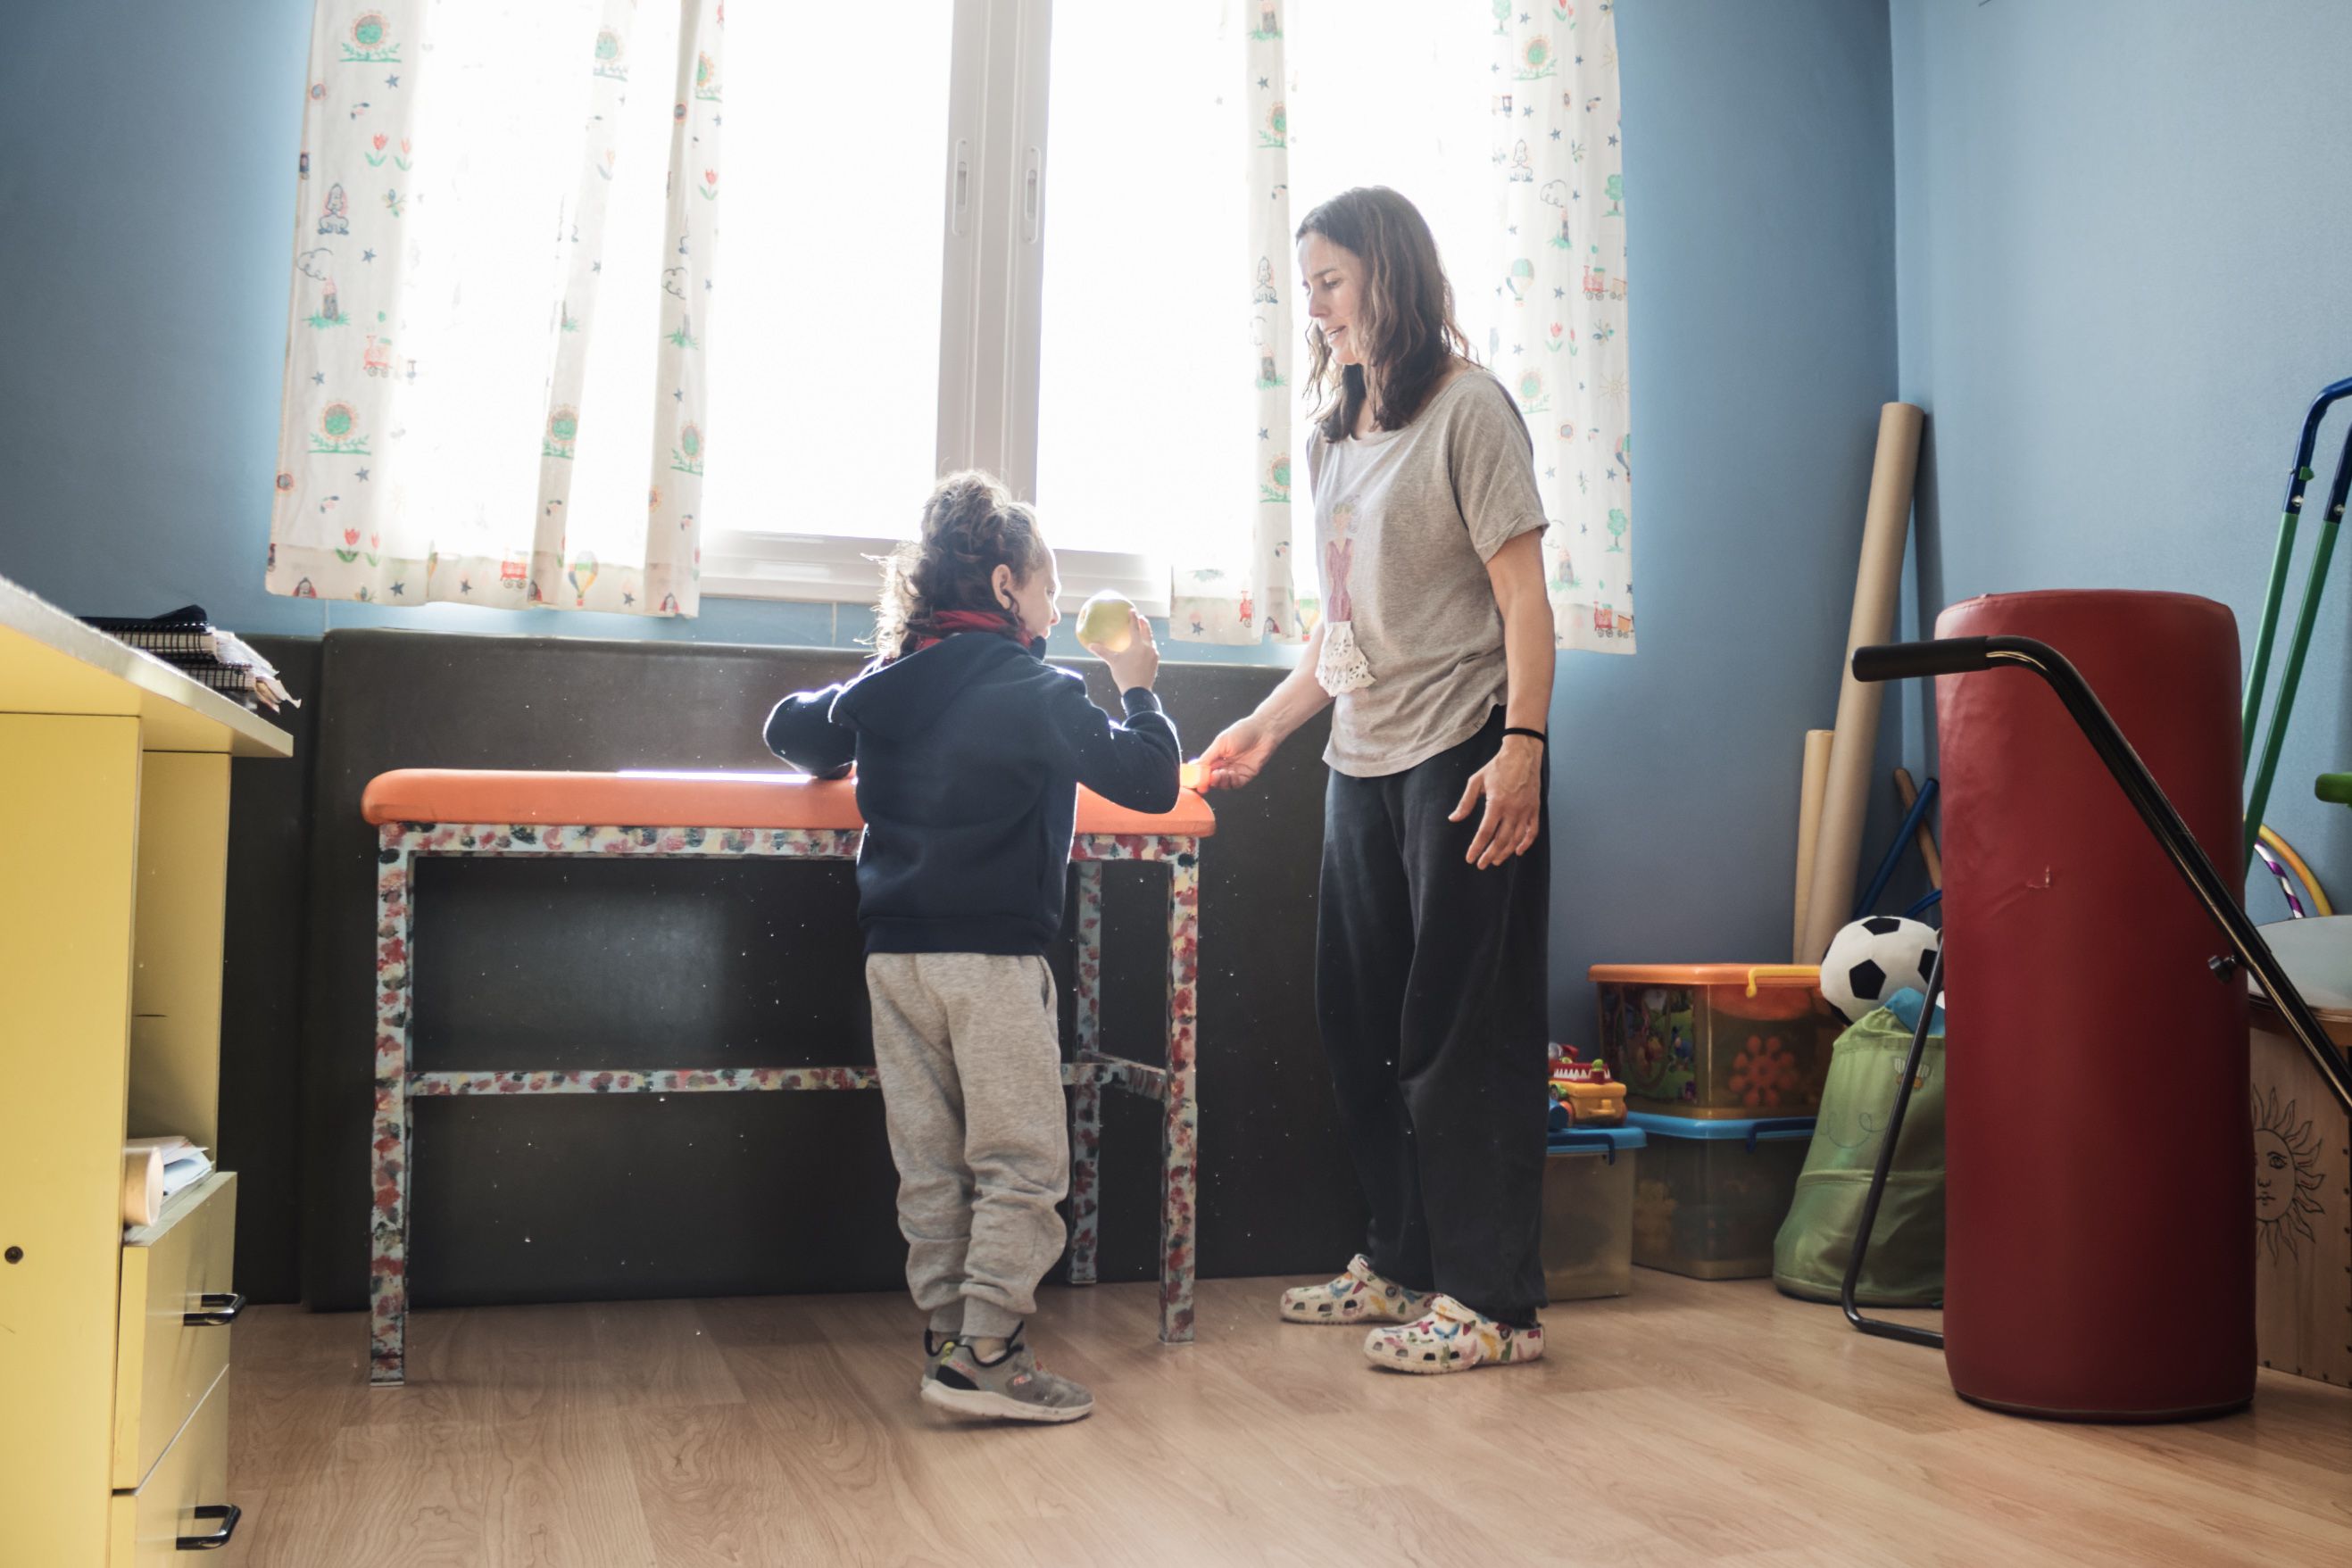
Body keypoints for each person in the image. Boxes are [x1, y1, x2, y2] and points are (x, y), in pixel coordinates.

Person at [1196, 186, 1557, 1374]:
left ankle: (1491, 1302)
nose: (1315, 305)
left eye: (1331, 280)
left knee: (1462, 1033)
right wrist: (1263, 726)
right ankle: (1401, 1262)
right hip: (1361, 759)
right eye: (1304, 285)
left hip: (1463, 750)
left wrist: (1523, 748)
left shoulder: (1468, 410)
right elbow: (1338, 632)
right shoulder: (1331, 434)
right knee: (1360, 1028)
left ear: (1389, 278)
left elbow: (1521, 602)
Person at [764, 470, 1178, 1421]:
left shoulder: (887, 687)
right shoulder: (1039, 687)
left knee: (933, 1161)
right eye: (1046, 586)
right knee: (1022, 1157)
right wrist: (1140, 688)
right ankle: (987, 1352)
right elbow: (1148, 779)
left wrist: (869, 690)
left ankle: (950, 1340)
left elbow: (792, 729)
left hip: (894, 960)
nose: (1056, 604)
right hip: (989, 959)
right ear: (1003, 586)